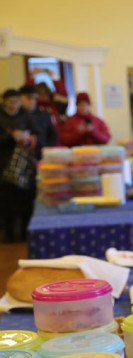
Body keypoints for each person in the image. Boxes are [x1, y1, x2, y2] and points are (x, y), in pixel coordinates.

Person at [0, 89, 38, 242]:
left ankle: (25, 232)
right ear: (3, 102)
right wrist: (11, 136)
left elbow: (39, 134)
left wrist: (29, 139)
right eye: (9, 102)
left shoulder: (26, 116)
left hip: (25, 167)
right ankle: (8, 233)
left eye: (16, 102)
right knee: (6, 203)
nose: (13, 105)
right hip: (3, 166)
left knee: (26, 201)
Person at [19, 85, 57, 158]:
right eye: (29, 98)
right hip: (23, 157)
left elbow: (52, 135)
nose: (33, 101)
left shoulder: (44, 115)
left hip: (43, 154)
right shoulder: (16, 116)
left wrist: (48, 151)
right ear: (20, 98)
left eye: (35, 98)